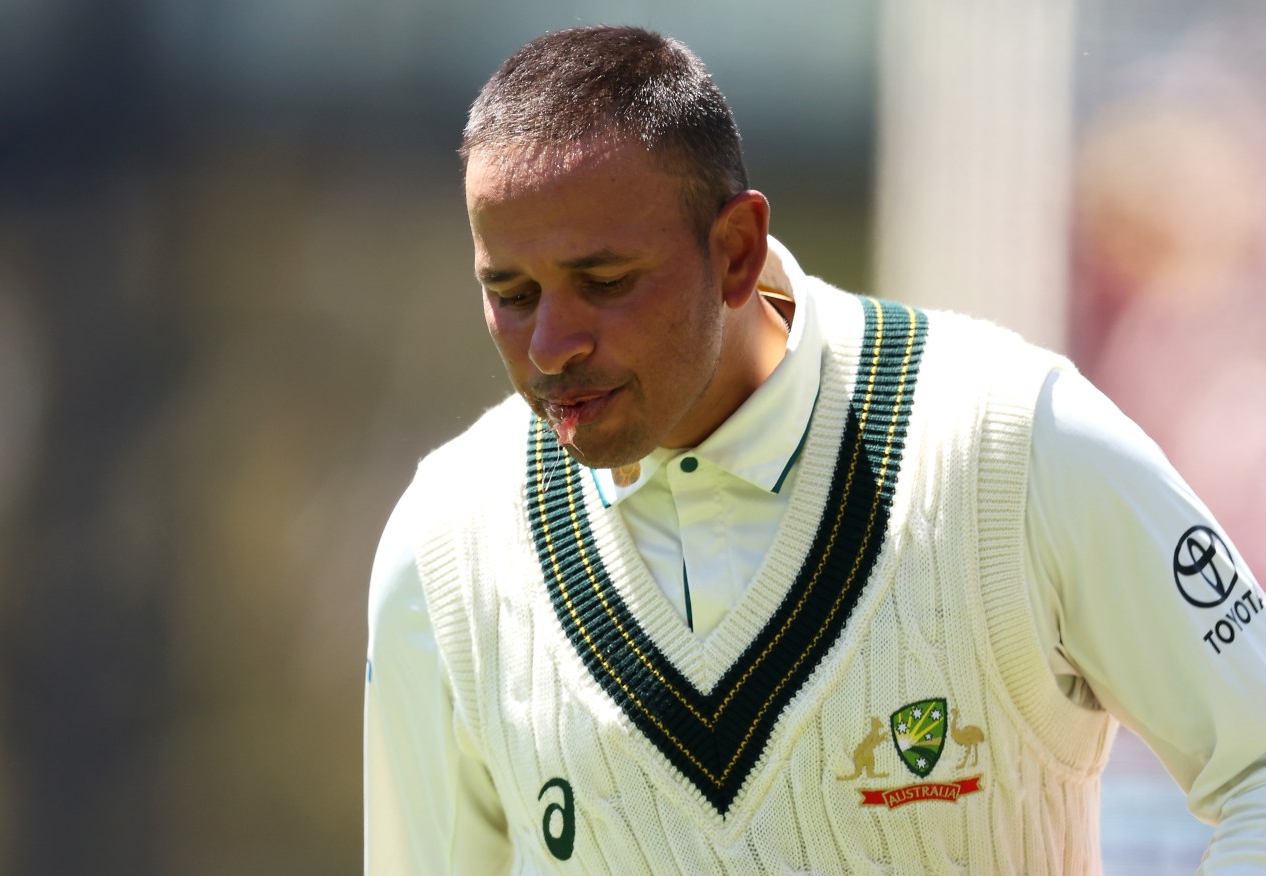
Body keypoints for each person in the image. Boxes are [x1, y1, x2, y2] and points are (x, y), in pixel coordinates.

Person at [364, 25, 1266, 875]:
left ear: (736, 249)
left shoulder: (1014, 441)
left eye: (604, 283)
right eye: (511, 293)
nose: (551, 343)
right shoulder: (442, 547)